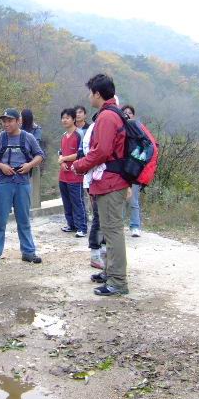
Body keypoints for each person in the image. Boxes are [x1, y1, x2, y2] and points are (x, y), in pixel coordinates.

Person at [72, 74, 130, 296]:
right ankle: (110, 273)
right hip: (111, 180)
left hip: (110, 182)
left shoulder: (107, 117)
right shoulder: (114, 113)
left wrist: (79, 165)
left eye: (90, 92)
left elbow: (102, 151)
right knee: (108, 230)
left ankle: (118, 282)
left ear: (97, 94)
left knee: (112, 232)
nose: (89, 97)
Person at [0, 108, 45, 267]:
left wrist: (29, 165)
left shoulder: (28, 137)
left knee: (23, 219)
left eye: (10, 121)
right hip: (2, 183)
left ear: (18, 121)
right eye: (4, 121)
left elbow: (40, 155)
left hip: (22, 183)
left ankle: (28, 252)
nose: (6, 124)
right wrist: (2, 166)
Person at [58, 108, 88, 238]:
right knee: (66, 202)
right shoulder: (63, 135)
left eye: (67, 118)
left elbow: (81, 153)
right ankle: (71, 224)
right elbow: (60, 153)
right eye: (63, 118)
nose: (64, 120)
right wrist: (61, 162)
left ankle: (82, 227)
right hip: (63, 175)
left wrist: (63, 158)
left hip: (76, 174)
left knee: (77, 202)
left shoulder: (80, 134)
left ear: (73, 119)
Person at [82, 112, 106, 270]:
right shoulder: (93, 130)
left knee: (105, 219)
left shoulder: (105, 129)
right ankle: (96, 254)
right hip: (95, 180)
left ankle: (103, 251)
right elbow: (88, 154)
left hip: (106, 180)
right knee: (99, 217)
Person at [121, 104, 142, 237]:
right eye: (124, 112)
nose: (127, 114)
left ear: (133, 115)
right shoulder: (119, 129)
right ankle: (120, 225)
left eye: (129, 112)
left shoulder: (137, 128)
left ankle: (135, 226)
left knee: (133, 200)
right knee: (121, 200)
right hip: (121, 169)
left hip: (134, 170)